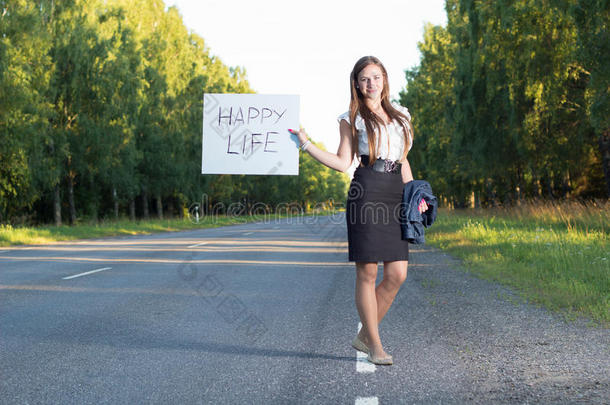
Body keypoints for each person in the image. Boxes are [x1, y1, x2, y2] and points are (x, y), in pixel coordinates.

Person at [289, 56, 428, 365]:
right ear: (356, 83)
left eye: (376, 77)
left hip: (396, 192)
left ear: (384, 80)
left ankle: (365, 334)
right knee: (367, 272)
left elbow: (403, 159)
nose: (371, 83)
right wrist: (305, 144)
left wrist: (413, 193)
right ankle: (375, 346)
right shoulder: (350, 118)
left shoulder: (402, 115)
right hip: (365, 190)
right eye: (364, 78)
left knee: (397, 273)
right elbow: (342, 162)